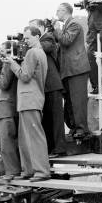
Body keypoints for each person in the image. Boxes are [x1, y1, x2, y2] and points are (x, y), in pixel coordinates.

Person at [5, 26, 50, 182]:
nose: (25, 41)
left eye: (28, 38)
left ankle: (41, 171)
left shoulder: (32, 53)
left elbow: (24, 76)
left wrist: (11, 63)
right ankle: (29, 170)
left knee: (35, 137)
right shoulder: (40, 53)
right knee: (25, 138)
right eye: (24, 38)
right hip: (29, 100)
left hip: (30, 100)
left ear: (37, 36)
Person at [54, 3, 90, 138]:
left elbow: (66, 40)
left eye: (58, 10)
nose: (56, 13)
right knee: (70, 101)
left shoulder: (74, 24)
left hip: (77, 69)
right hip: (68, 70)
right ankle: (74, 127)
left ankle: (81, 129)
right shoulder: (67, 25)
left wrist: (57, 29)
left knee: (78, 100)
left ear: (65, 11)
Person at [30, 19, 66, 156]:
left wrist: (31, 43)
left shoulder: (48, 37)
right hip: (44, 86)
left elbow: (46, 46)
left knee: (56, 119)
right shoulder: (39, 42)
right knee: (47, 119)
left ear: (40, 28)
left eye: (32, 28)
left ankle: (60, 148)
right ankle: (50, 147)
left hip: (53, 85)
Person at [0, 53, 21, 179]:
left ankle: (12, 171)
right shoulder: (18, 62)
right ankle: (16, 169)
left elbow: (3, 84)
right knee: (15, 140)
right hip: (15, 105)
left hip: (7, 107)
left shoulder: (8, 63)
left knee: (7, 142)